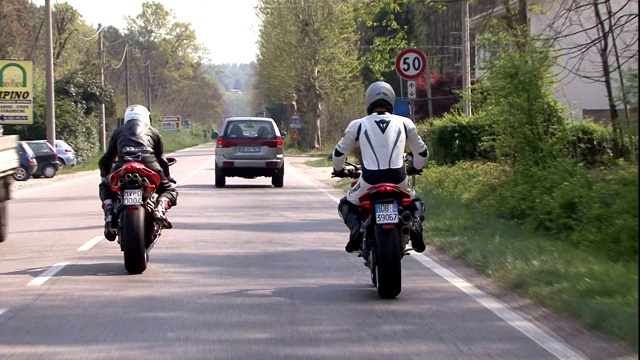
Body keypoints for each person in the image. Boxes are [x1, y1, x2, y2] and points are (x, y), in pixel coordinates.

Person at [332, 81, 429, 253]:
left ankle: (357, 230)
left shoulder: (358, 124)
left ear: (368, 101)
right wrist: (415, 167)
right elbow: (422, 153)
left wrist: (339, 169)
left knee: (346, 203)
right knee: (415, 201)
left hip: (369, 180)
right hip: (399, 179)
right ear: (392, 100)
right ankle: (415, 225)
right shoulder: (406, 123)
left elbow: (339, 154)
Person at [98, 104, 179, 241]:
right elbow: (161, 160)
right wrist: (167, 179)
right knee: (169, 190)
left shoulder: (119, 132)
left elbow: (107, 159)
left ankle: (110, 211)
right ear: (146, 118)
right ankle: (160, 209)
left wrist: (106, 177)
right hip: (149, 164)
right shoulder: (153, 132)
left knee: (105, 186)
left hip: (123, 165)